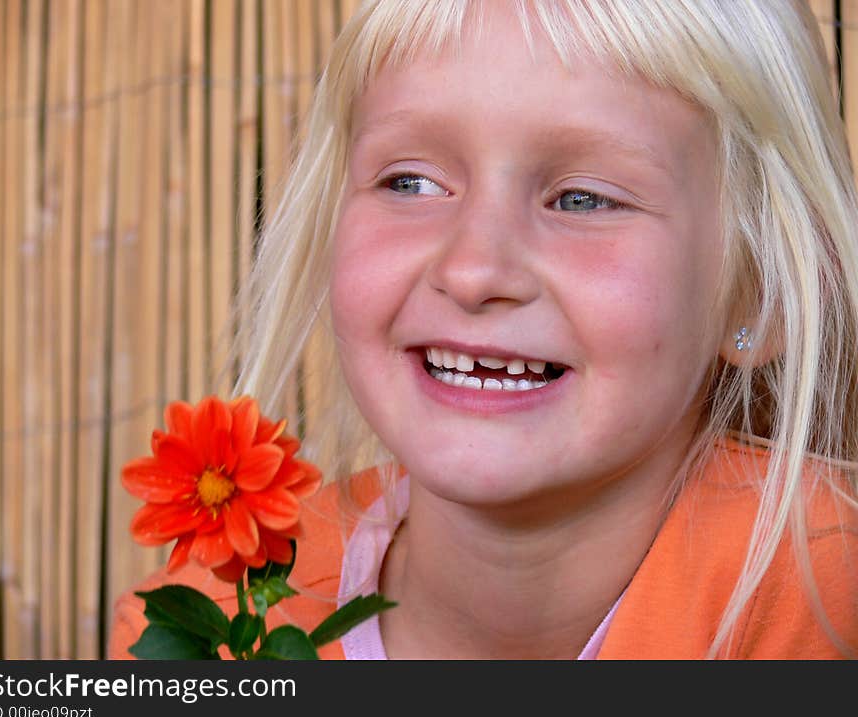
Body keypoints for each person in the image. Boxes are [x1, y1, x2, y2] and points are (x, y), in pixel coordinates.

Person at [109, 0, 858, 659]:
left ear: (767, 295)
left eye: (584, 199)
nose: (472, 269)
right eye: (410, 182)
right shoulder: (202, 630)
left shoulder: (829, 599)